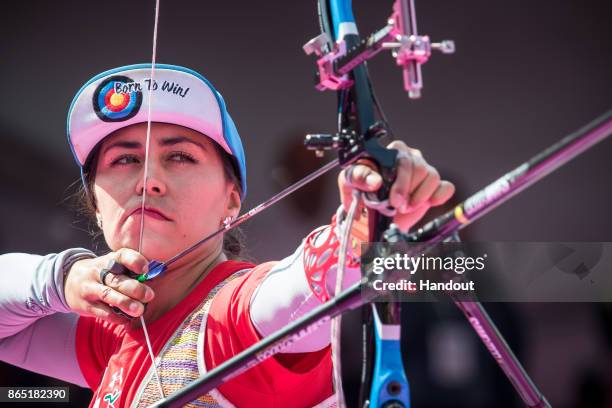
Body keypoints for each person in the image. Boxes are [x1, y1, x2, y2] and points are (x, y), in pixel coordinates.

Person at [0, 64, 454, 407]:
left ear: (232, 199)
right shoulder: (112, 335)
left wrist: (364, 222)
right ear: (95, 202)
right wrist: (61, 278)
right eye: (123, 160)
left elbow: (309, 284)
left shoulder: (236, 314)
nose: (147, 180)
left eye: (179, 156)